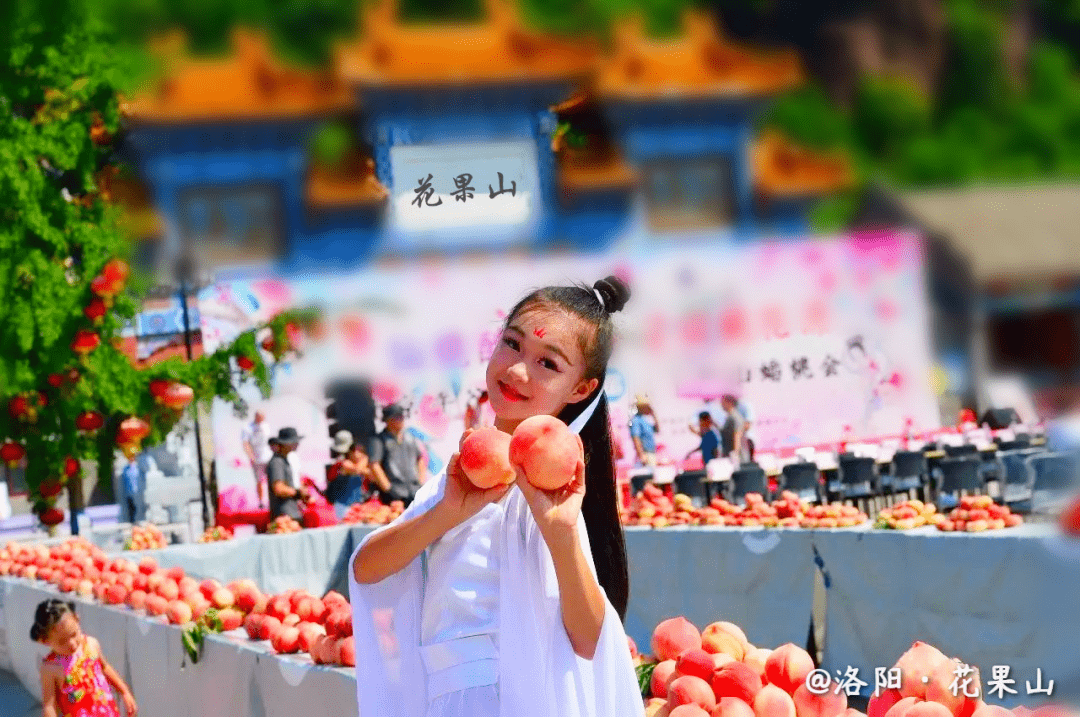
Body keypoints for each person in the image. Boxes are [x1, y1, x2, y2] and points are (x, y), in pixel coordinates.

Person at [348, 276, 643, 717]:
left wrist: (560, 534)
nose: (517, 370)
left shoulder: (555, 498)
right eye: (512, 343)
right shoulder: (460, 479)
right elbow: (367, 569)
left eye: (549, 364)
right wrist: (446, 512)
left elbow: (588, 641)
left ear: (581, 389)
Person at [33, 598, 137, 717]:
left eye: (74, 634)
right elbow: (49, 705)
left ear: (77, 619)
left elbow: (105, 667)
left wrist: (124, 692)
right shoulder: (50, 667)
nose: (72, 644)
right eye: (62, 642)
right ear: (46, 641)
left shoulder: (91, 644)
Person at [368, 403, 427, 508]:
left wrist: (421, 482)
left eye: (401, 417)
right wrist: (388, 488)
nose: (401, 420)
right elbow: (374, 465)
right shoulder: (379, 440)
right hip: (394, 494)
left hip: (414, 491)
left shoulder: (409, 438)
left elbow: (420, 459)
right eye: (397, 417)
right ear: (387, 420)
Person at [266, 427, 311, 521]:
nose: (297, 444)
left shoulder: (284, 460)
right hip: (285, 516)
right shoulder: (277, 462)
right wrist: (299, 493)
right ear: (285, 443)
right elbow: (279, 489)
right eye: (294, 441)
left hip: (290, 514)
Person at [241, 410, 272, 507]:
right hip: (257, 459)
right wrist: (251, 456)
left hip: (268, 457)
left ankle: (271, 500)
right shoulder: (248, 428)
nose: (262, 419)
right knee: (260, 481)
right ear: (256, 416)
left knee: (271, 479)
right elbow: (245, 443)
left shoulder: (266, 426)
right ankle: (261, 502)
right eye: (260, 417)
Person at [629, 394, 659, 467]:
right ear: (641, 407)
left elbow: (657, 429)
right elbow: (636, 438)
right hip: (646, 454)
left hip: (651, 453)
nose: (649, 408)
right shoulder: (636, 420)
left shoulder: (645, 420)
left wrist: (653, 415)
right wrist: (641, 455)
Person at [720, 394, 750, 465]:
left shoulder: (735, 417)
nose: (721, 405)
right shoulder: (730, 416)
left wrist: (735, 455)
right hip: (732, 456)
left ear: (729, 403)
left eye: (723, 403)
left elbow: (737, 435)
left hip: (739, 459)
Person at [120, 453, 145, 524]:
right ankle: (133, 522)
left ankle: (139, 521)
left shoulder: (138, 468)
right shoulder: (126, 469)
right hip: (129, 491)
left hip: (138, 491)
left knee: (138, 506)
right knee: (131, 507)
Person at [734, 396, 756, 461]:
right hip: (739, 442)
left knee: (747, 461)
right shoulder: (733, 407)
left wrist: (738, 434)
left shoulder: (745, 405)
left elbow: (747, 425)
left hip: (746, 440)